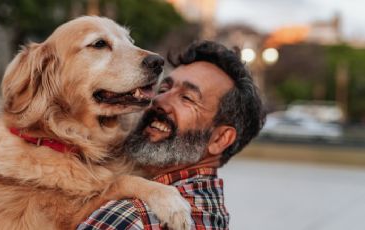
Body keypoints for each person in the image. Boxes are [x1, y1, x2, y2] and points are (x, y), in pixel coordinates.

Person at [77, 40, 265, 229]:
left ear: (220, 139)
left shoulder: (135, 216)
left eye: (187, 98)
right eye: (164, 89)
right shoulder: (212, 215)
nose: (158, 100)